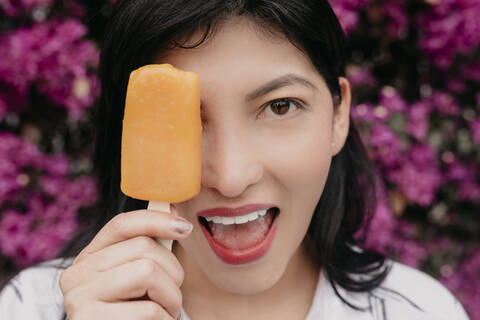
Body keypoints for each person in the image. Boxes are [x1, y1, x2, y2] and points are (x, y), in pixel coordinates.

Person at [0, 1, 471, 319]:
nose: (229, 176)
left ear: (339, 116)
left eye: (280, 106)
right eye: (185, 118)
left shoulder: (420, 311)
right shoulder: (34, 307)